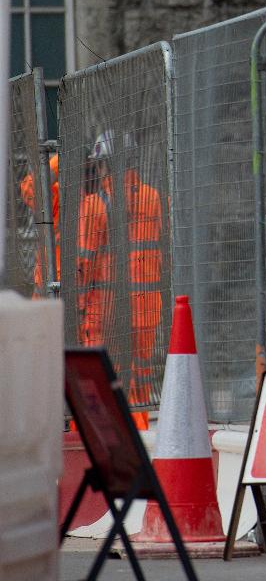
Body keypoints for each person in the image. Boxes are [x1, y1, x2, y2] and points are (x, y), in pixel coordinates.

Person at [78, 130, 163, 430]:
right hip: (146, 309)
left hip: (106, 312)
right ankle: (138, 441)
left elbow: (83, 265)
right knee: (137, 389)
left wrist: (77, 307)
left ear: (104, 164)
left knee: (100, 386)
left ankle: (98, 446)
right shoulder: (153, 198)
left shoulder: (93, 205)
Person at [19, 152, 60, 297]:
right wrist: (58, 163)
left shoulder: (95, 204)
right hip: (48, 285)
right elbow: (28, 189)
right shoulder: (56, 195)